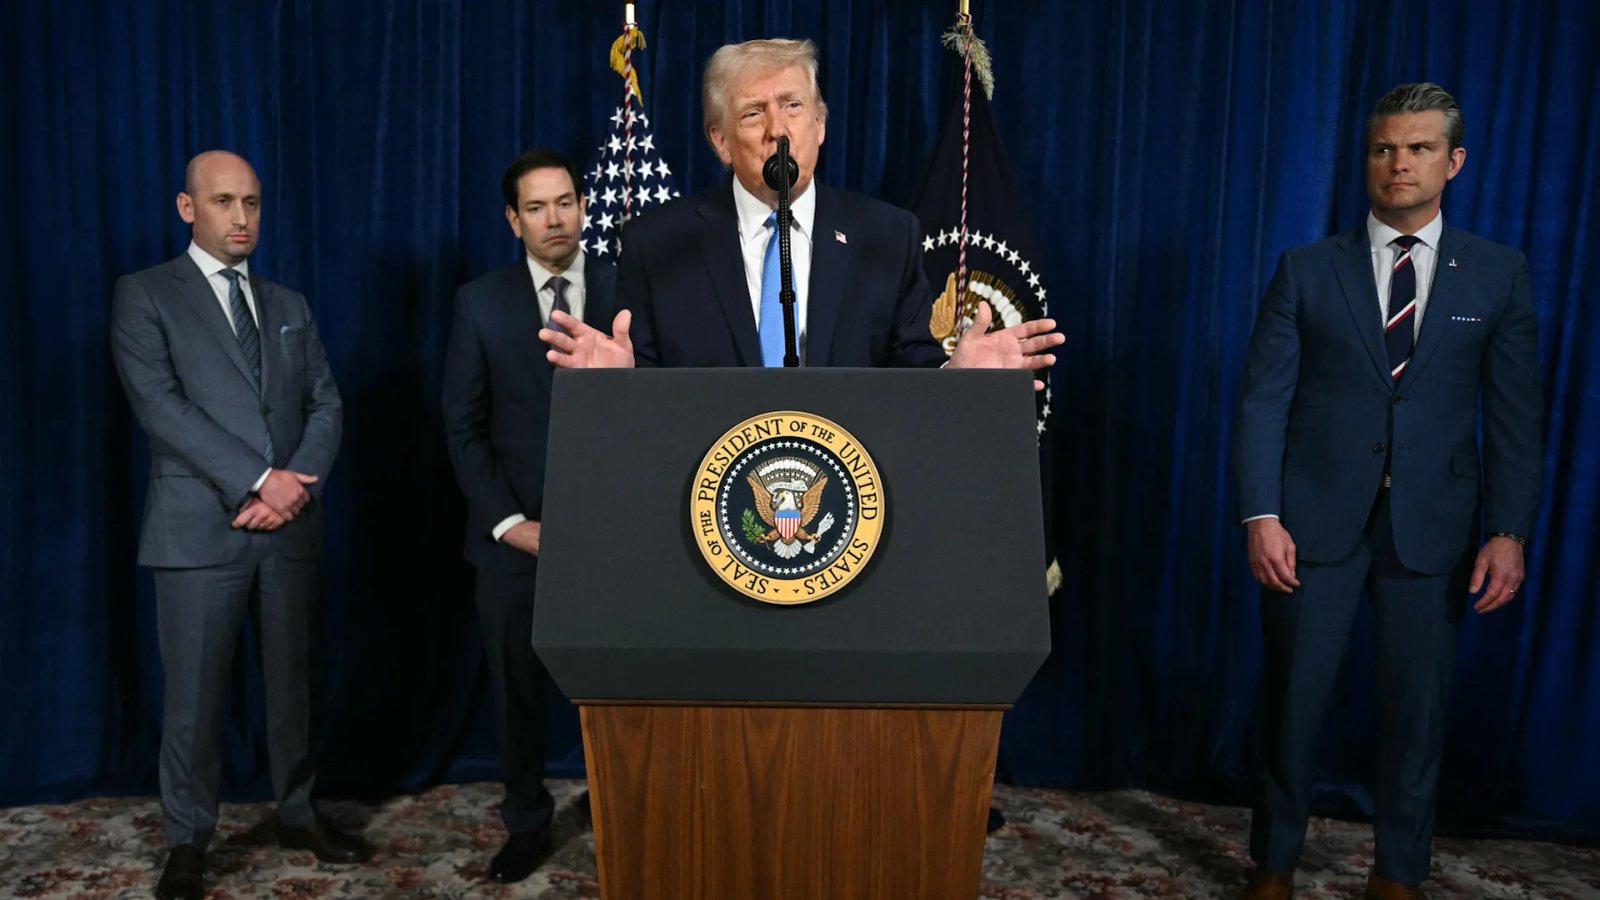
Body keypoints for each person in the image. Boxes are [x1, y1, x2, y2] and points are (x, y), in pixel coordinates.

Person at [1233, 84, 1542, 900]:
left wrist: (1508, 531)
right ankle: (1274, 863)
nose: (1398, 164)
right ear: (1366, 158)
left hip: (1433, 531)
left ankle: (1398, 872)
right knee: (1293, 705)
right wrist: (1261, 514)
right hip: (1310, 525)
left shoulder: (1499, 276)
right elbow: (1263, 398)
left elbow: (1514, 417)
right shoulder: (1305, 270)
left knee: (1417, 714)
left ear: (1454, 161)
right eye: (1383, 149)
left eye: (1417, 149)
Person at [110, 151, 370, 900]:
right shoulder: (146, 295)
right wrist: (261, 479)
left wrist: (292, 490)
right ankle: (188, 841)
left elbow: (328, 403)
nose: (242, 218)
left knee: (293, 687)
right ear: (189, 208)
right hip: (197, 530)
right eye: (224, 202)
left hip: (288, 528)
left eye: (252, 202)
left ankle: (296, 811)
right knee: (193, 700)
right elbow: (160, 407)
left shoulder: (288, 303)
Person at [539, 38, 1062, 382]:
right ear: (720, 141)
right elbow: (644, 377)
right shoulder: (657, 242)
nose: (777, 130)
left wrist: (955, 375)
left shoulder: (887, 235)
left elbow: (910, 373)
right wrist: (616, 384)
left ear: (820, 126)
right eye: (752, 114)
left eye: (793, 106)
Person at [441, 149, 617, 884]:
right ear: (514, 221)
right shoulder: (480, 303)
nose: (557, 218)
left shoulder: (625, 287)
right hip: (516, 543)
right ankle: (526, 821)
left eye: (567, 201)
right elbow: (463, 427)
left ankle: (625, 810)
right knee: (515, 695)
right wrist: (510, 524)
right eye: (538, 207)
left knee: (621, 688)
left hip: (617, 541)